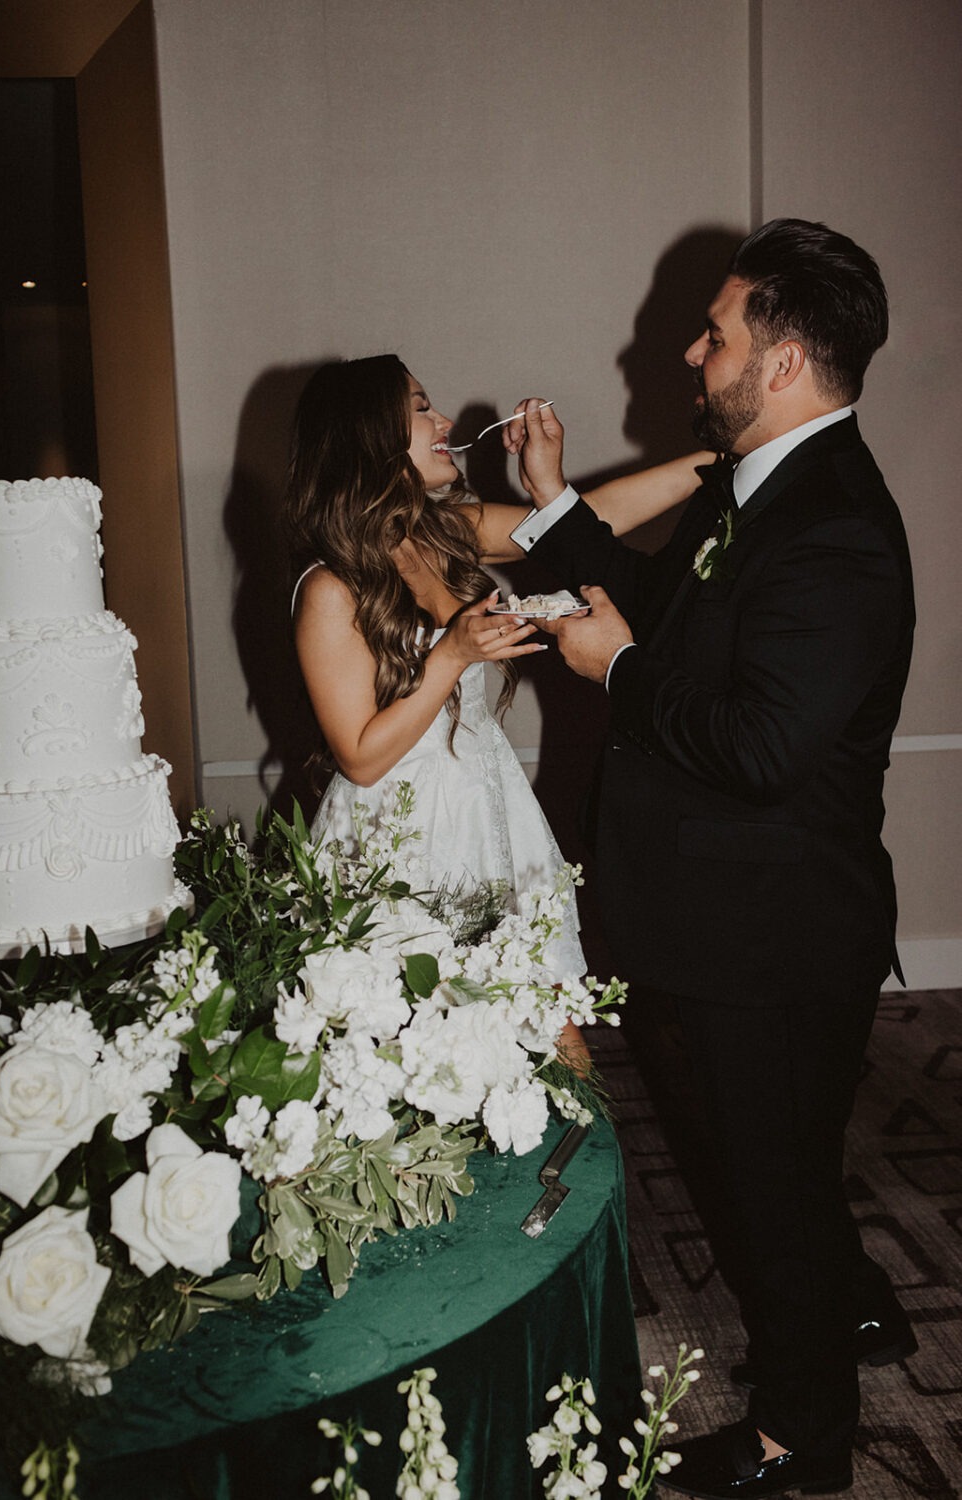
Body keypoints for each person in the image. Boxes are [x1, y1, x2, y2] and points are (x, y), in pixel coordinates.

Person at [503, 220, 916, 1497]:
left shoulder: (835, 527)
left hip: (772, 935)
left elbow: (758, 748)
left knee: (766, 1189)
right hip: (726, 918)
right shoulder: (769, 487)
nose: (691, 351)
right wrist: (557, 510)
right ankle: (853, 1314)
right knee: (772, 1166)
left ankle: (807, 1442)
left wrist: (611, 669)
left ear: (783, 361)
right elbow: (667, 619)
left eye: (717, 331)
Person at [285, 354, 707, 998]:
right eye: (422, 406)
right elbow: (361, 759)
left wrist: (726, 463)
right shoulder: (329, 586)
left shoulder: (445, 532)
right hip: (400, 839)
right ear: (368, 435)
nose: (444, 419)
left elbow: (594, 517)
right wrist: (451, 654)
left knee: (539, 1015)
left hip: (488, 806)